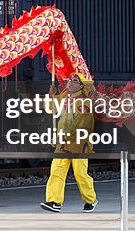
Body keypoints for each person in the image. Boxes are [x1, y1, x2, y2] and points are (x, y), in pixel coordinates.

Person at [41, 73, 98, 213]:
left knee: (80, 174)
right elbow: (51, 109)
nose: (70, 84)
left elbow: (82, 125)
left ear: (81, 86)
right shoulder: (65, 98)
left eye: (74, 81)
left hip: (79, 144)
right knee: (56, 171)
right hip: (63, 143)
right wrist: (51, 95)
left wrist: (64, 138)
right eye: (69, 81)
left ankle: (90, 200)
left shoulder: (84, 103)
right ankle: (54, 201)